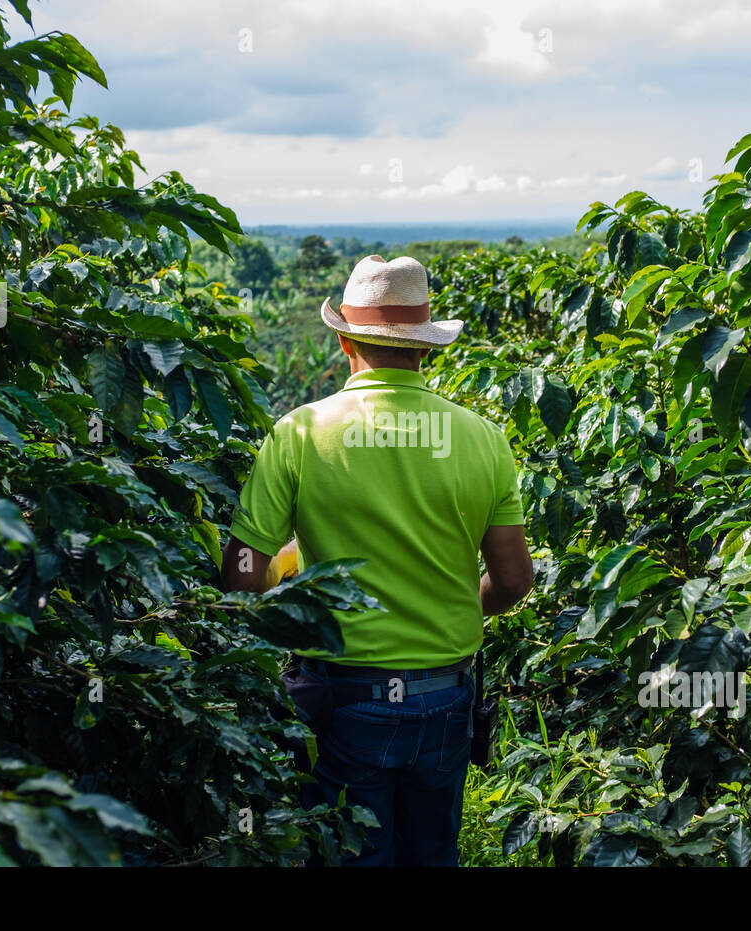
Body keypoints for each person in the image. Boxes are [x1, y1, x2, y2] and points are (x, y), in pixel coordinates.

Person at [221, 253, 533, 866]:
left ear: (344, 341)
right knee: (433, 853)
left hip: (343, 700)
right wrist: (452, 610)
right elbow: (515, 579)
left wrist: (291, 571)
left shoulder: (301, 433)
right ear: (425, 346)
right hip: (446, 697)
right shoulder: (481, 438)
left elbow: (240, 575)